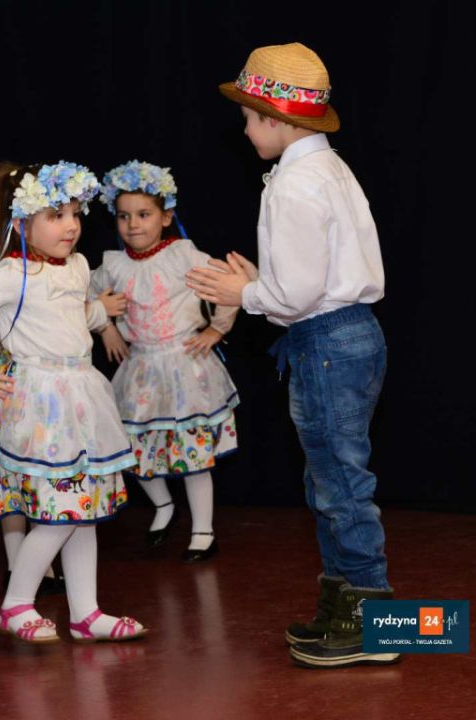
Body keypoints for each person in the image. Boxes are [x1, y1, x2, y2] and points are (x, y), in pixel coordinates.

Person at [186, 42, 395, 668]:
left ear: (276, 119)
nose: (245, 130)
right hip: (347, 336)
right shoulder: (328, 169)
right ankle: (343, 606)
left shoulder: (296, 184)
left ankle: (374, 623)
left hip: (327, 342)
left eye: (249, 119)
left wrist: (245, 293)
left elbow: (299, 295)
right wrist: (265, 284)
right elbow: (309, 279)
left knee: (340, 486)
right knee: (329, 478)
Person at [0, 161, 146, 643]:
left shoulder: (77, 266)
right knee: (59, 513)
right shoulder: (13, 273)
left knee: (83, 511)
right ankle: (15, 605)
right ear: (22, 223)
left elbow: (71, 314)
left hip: (81, 397)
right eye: (55, 215)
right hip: (42, 405)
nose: (70, 225)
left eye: (74, 214)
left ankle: (86, 613)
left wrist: (100, 316)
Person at [90, 161, 239, 562]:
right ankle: (164, 505)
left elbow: (228, 282)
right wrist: (106, 327)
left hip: (184, 367)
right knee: (130, 447)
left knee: (193, 455)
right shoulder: (113, 265)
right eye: (124, 216)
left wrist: (216, 330)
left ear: (166, 217)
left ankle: (204, 531)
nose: (133, 225)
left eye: (144, 215)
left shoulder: (182, 255)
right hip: (140, 369)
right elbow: (87, 295)